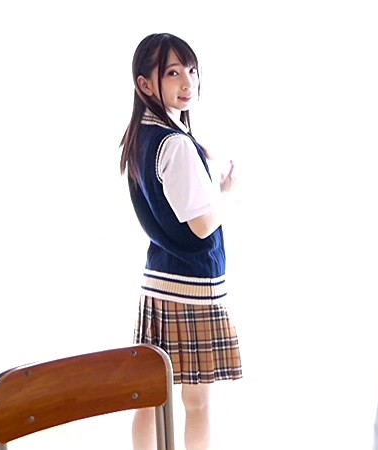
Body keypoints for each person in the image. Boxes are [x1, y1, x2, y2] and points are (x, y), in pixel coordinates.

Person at [119, 32, 243, 450]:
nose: (188, 82)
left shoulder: (141, 135)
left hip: (159, 282)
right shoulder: (174, 143)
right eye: (172, 73)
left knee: (148, 399)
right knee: (197, 404)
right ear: (145, 84)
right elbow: (203, 225)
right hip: (191, 288)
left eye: (191, 70)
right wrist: (226, 193)